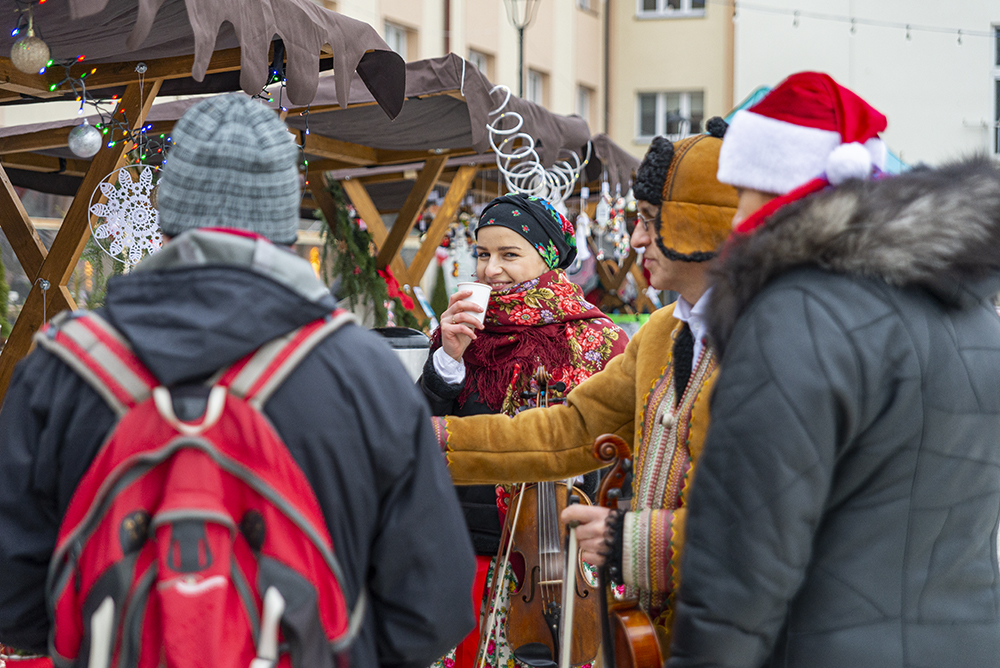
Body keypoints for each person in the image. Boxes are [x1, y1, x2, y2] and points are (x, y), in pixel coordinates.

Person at [0, 94, 476, 668]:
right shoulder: (364, 372)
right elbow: (434, 607)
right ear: (283, 217)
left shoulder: (65, 365)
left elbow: (13, 599)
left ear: (167, 211)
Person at [666, 72, 1000, 667]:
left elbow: (742, 561)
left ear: (784, 191)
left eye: (744, 193)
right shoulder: (975, 315)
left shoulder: (796, 313)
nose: (735, 220)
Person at [432, 120, 737, 653]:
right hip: (654, 635)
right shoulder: (661, 333)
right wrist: (432, 437)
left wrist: (632, 540)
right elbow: (569, 430)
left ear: (702, 226)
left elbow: (773, 520)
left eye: (650, 221)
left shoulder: (773, 338)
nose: (636, 239)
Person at [419, 194, 628, 668]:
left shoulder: (598, 340)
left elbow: (613, 451)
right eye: (483, 254)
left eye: (509, 254)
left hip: (558, 562)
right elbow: (418, 435)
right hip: (464, 552)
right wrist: (446, 359)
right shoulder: (460, 332)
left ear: (548, 258)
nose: (491, 269)